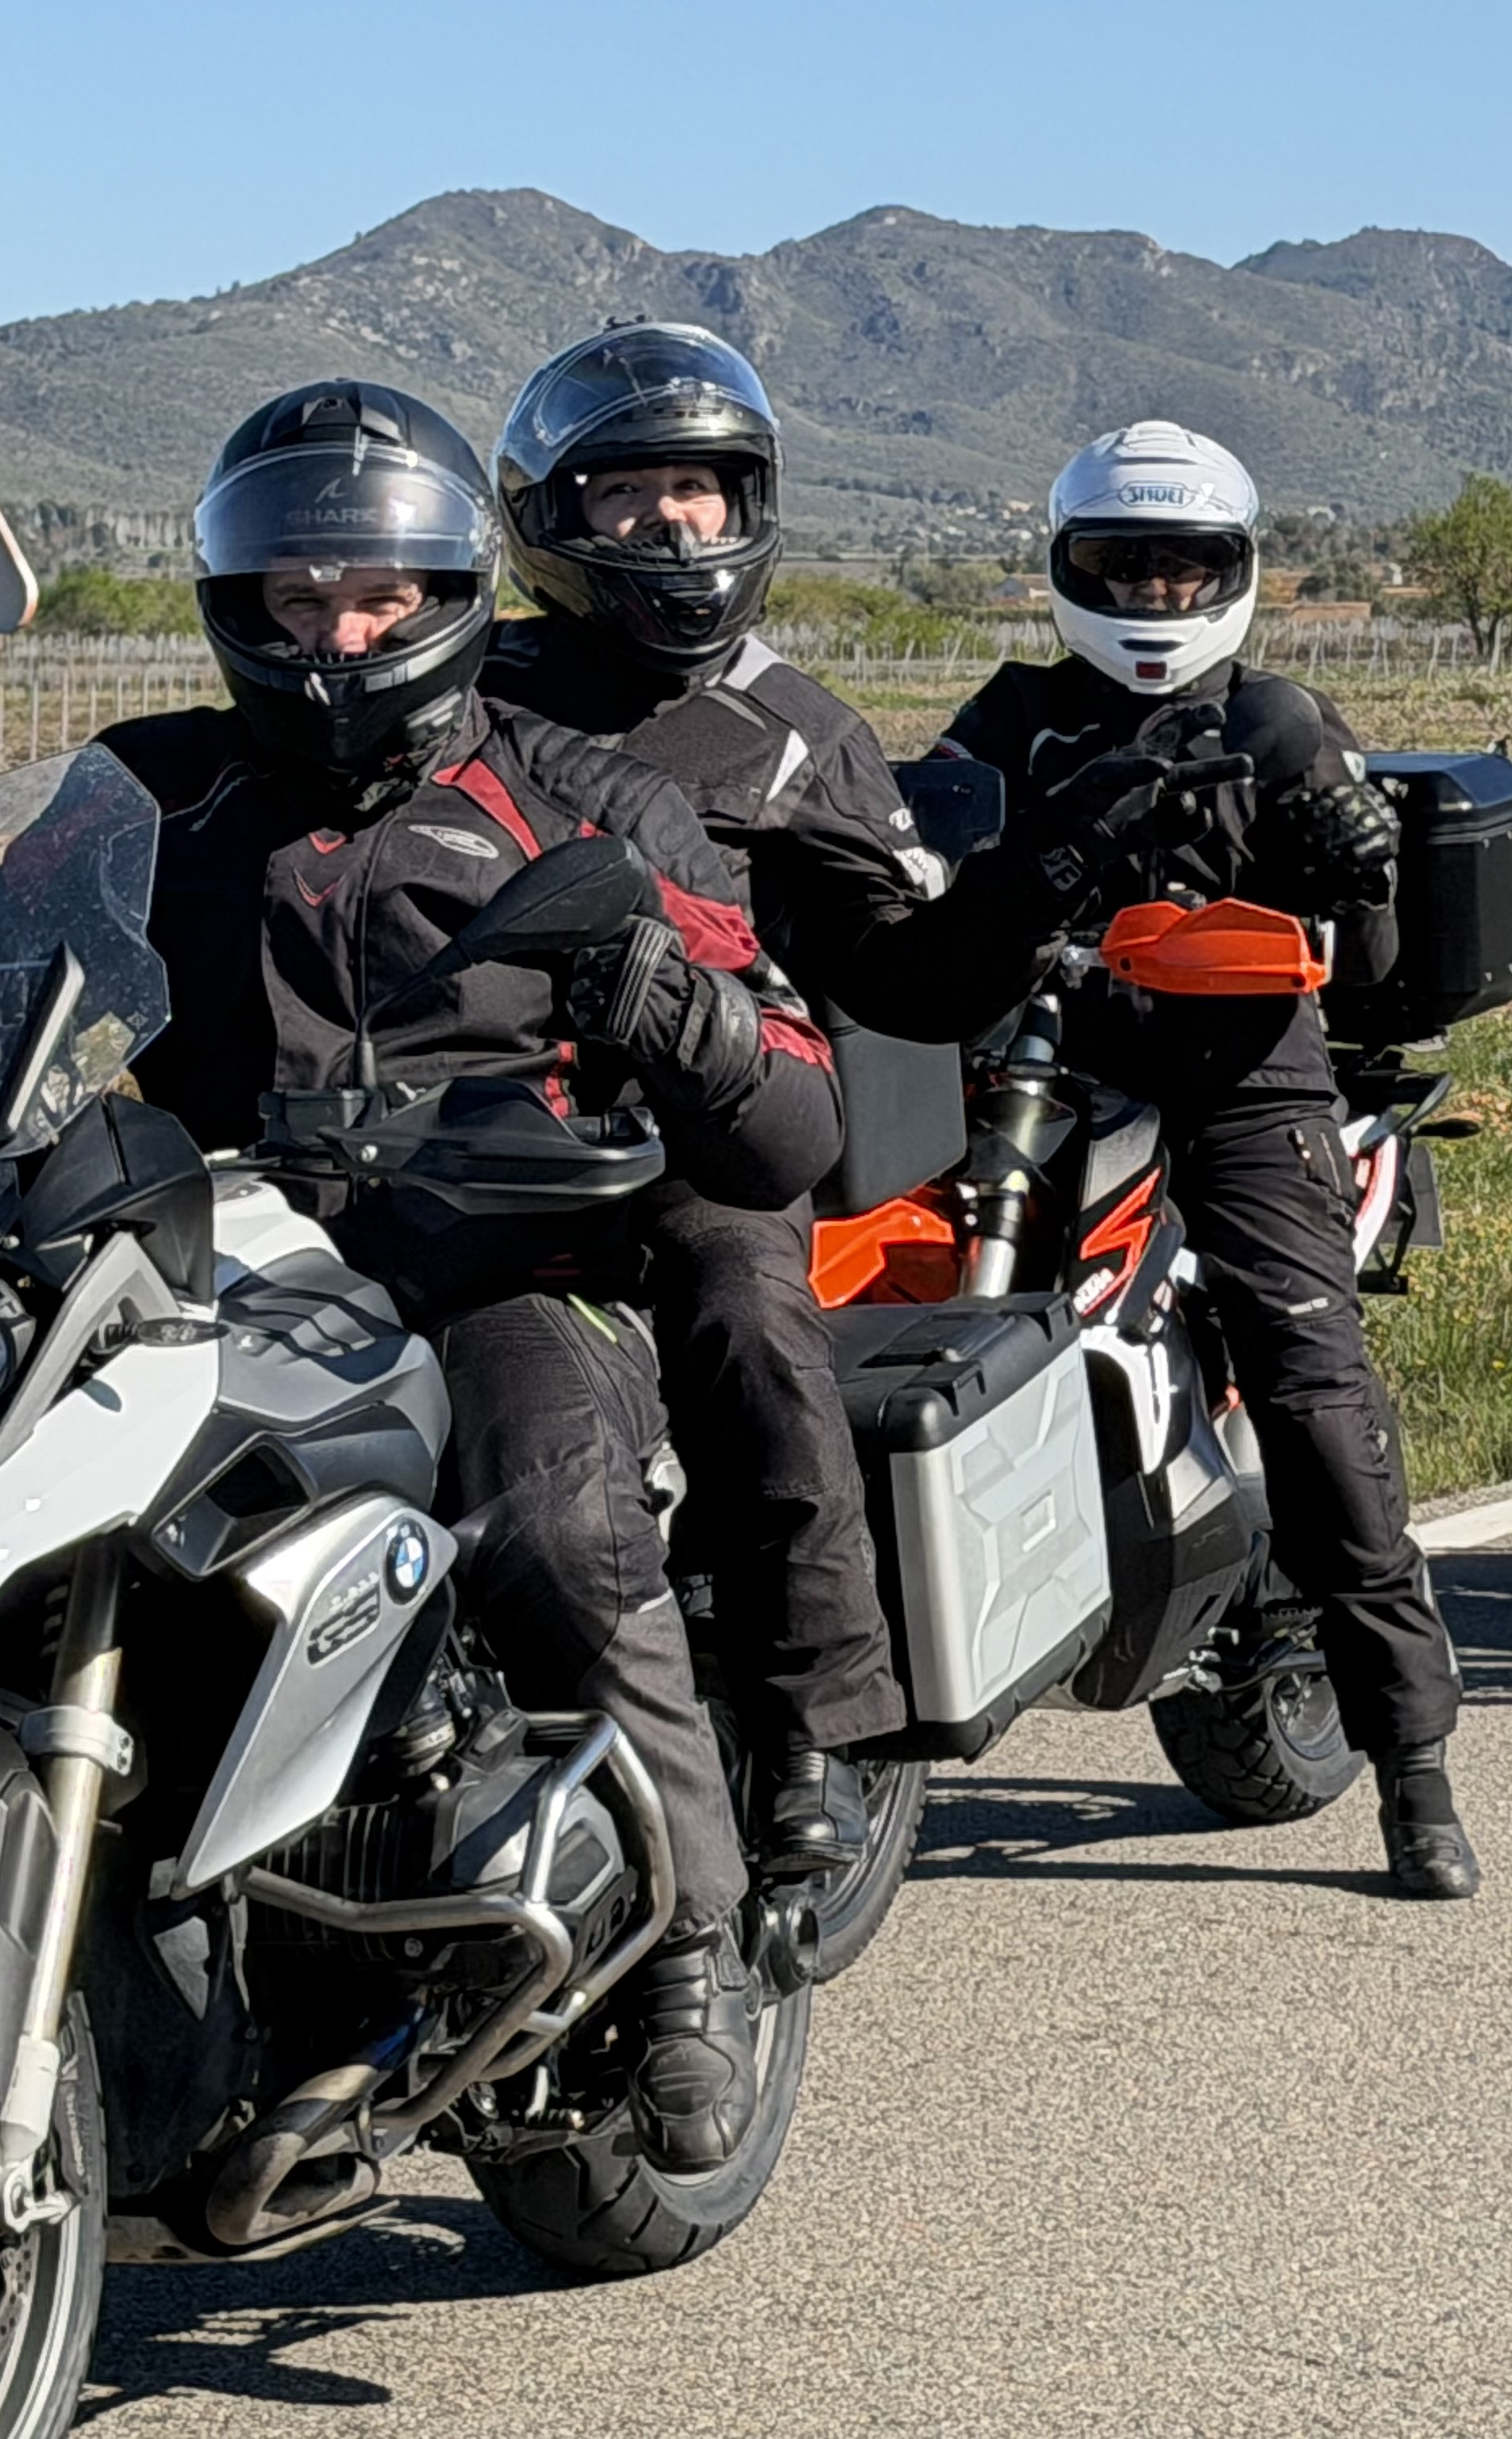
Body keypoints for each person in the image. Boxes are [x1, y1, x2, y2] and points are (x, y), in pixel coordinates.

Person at [95, 379, 845, 2171]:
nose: (336, 636)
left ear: (450, 596)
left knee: (554, 1512)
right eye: (296, 600)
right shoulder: (149, 792)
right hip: (211, 1269)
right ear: (237, 602)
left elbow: (797, 1109)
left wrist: (671, 1004)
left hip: (503, 1261)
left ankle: (691, 1949)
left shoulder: (581, 795)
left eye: (377, 599)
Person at [915, 420, 1480, 1899]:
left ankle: (1414, 1766)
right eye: (1124, 566)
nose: (1154, 595)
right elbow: (924, 862)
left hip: (1246, 1080)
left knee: (1308, 1378)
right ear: (1071, 570)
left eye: (1183, 568)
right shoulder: (1017, 718)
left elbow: (1371, 960)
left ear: (1232, 573)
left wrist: (1356, 865)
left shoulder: (1283, 720)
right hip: (1037, 1064)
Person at [484, 323, 931, 1876]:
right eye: (628, 492)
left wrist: (982, 925)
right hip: (479, 1112)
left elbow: (899, 948)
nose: (672, 524)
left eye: (701, 489)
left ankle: (817, 1723)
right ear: (552, 519)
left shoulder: (801, 728)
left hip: (705, 1122)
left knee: (748, 1305)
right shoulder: (474, 689)